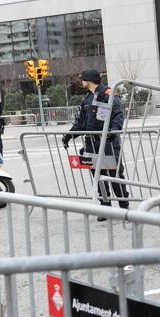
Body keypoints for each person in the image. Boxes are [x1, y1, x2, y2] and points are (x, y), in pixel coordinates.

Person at [62, 69, 129, 221]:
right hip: (91, 142)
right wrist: (69, 136)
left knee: (114, 173)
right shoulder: (86, 98)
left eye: (83, 79)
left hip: (108, 141)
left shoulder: (107, 93)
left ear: (90, 80)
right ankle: (105, 208)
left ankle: (124, 206)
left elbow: (117, 114)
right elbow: (81, 122)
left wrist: (114, 130)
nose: (82, 81)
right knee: (98, 175)